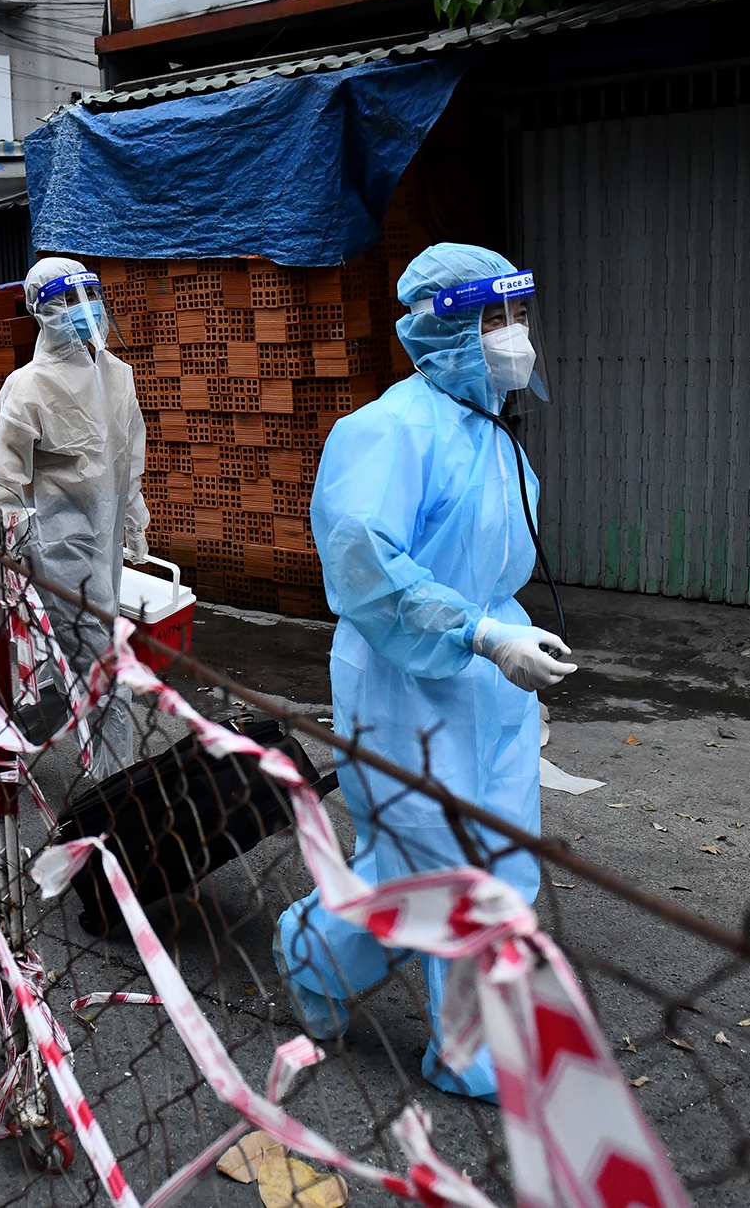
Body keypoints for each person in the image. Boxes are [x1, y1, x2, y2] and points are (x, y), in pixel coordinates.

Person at [275, 242, 574, 1101]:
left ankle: (480, 1043)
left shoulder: (494, 438)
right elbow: (364, 565)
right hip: (403, 683)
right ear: (443, 330)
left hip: (491, 679)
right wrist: (476, 631)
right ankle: (316, 954)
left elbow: (492, 565)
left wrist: (500, 640)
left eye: (518, 316)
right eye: (491, 319)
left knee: (503, 866)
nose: (512, 336)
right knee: (425, 869)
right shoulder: (386, 430)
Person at [0, 257, 150, 777]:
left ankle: (15, 734)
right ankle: (115, 791)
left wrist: (134, 518)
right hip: (59, 550)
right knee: (104, 668)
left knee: (72, 657)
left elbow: (127, 456)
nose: (82, 311)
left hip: (105, 544)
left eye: (89, 296)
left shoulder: (118, 375)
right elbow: (0, 476)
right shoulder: (29, 388)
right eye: (66, 302)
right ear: (39, 312)